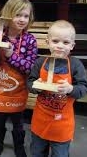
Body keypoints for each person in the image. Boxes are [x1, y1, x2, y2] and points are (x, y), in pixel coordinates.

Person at [0, 0, 38, 157]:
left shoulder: (30, 40)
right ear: (7, 15)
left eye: (26, 16)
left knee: (18, 122)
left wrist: (11, 55)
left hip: (19, 90)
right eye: (17, 15)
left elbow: (31, 68)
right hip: (1, 87)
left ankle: (19, 146)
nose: (22, 19)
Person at [27, 20, 87, 157]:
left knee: (60, 154)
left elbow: (83, 89)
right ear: (47, 42)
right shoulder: (40, 62)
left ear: (72, 45)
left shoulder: (76, 65)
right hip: (40, 121)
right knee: (37, 152)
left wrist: (71, 89)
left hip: (62, 125)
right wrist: (37, 86)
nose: (60, 46)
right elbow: (30, 83)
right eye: (55, 41)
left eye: (65, 43)